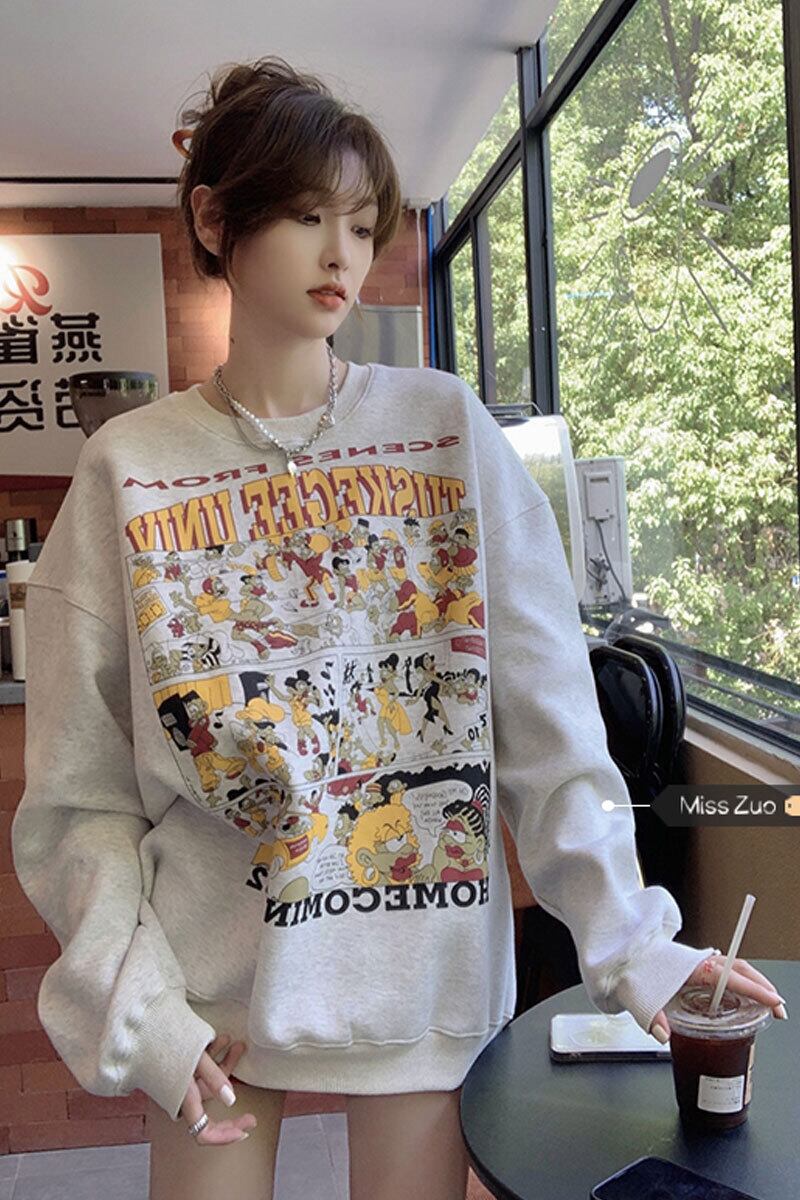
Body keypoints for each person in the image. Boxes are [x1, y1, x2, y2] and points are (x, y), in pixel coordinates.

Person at [11, 55, 786, 1200]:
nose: (343, 254)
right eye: (306, 217)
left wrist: (631, 942)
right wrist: (137, 1008)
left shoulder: (442, 430)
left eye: (362, 223)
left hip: (417, 975)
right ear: (216, 222)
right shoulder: (128, 469)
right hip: (207, 990)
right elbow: (81, 799)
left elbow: (546, 718)